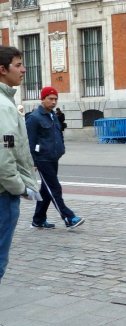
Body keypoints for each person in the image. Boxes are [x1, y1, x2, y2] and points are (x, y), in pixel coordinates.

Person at [0, 46, 42, 326]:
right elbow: (4, 154)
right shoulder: (2, 106)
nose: (23, 69)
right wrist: (20, 186)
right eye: (18, 64)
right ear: (3, 69)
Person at [26, 86, 85, 229]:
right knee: (54, 188)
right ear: (43, 99)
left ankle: (38, 220)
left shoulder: (53, 115)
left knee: (46, 191)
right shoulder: (34, 118)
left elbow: (58, 134)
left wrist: (61, 148)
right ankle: (69, 218)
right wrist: (32, 161)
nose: (53, 102)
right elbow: (29, 141)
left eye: (55, 99)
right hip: (42, 159)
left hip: (53, 157)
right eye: (50, 99)